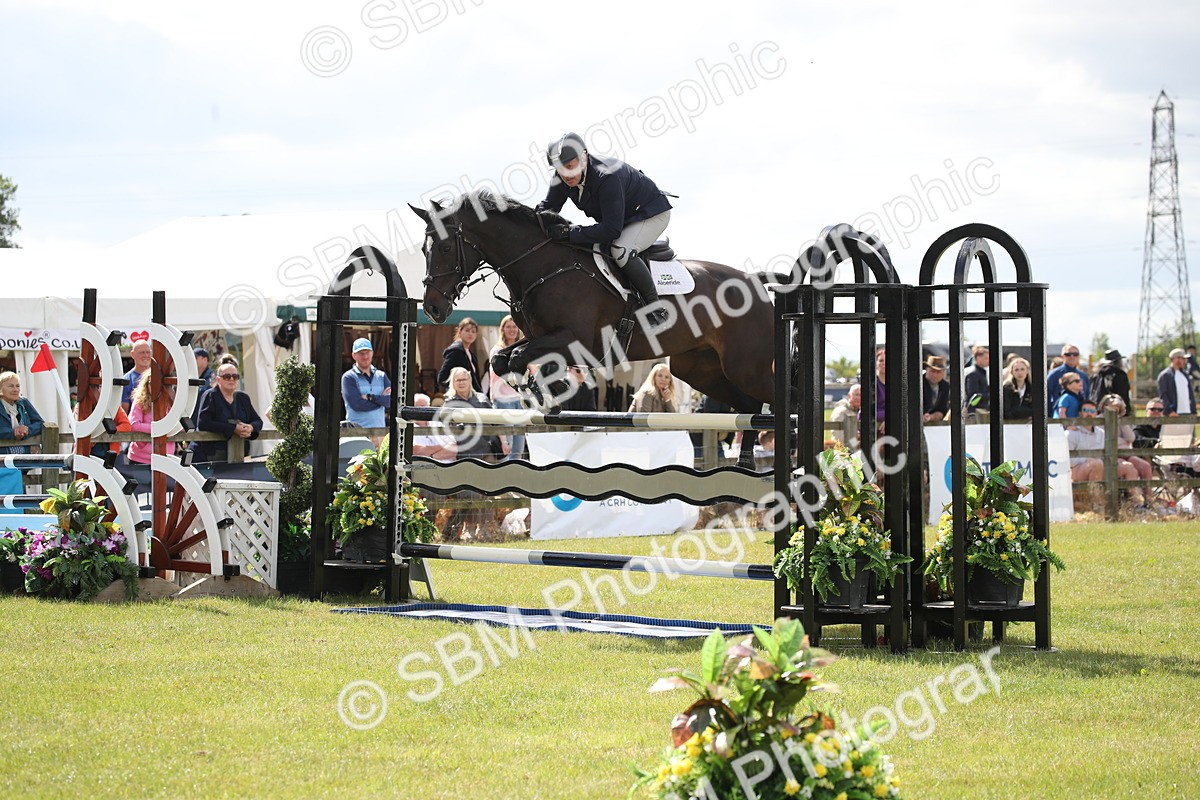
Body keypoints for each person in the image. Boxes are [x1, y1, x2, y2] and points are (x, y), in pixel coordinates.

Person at [535, 132, 673, 331]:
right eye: (559, 169)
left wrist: (569, 232)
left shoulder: (606, 177)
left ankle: (656, 311)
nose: (565, 174)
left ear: (583, 157)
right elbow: (548, 209)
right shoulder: (562, 178)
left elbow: (611, 230)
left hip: (650, 214)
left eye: (570, 166)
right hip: (623, 218)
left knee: (620, 250)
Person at [1066, 400, 1141, 503]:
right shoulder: (1071, 433)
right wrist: (1087, 459)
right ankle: (1098, 505)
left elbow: (1108, 454)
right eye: (1085, 410)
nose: (1089, 413)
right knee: (1096, 464)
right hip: (1076, 470)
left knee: (1128, 466)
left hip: (1099, 466)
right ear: (1080, 413)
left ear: (1096, 414)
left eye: (1092, 411)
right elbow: (1066, 459)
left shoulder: (1101, 433)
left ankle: (1137, 504)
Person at [192, 362, 263, 463]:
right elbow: (203, 423)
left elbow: (258, 421)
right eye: (227, 376)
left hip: (239, 454)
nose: (231, 379)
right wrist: (233, 428)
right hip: (211, 455)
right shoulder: (210, 396)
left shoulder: (243, 398)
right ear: (218, 379)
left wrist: (250, 427)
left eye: (235, 376)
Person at [441, 366, 503, 460]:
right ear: (453, 382)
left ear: (469, 380)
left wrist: (504, 442)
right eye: (458, 380)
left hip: (488, 451)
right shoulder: (449, 404)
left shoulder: (482, 399)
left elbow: (497, 423)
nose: (461, 383)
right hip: (465, 455)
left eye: (464, 379)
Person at [488, 315, 526, 460]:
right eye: (508, 326)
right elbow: (497, 378)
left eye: (514, 327)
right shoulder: (497, 350)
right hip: (503, 400)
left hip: (519, 399)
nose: (512, 330)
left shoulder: (522, 349)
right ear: (502, 329)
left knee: (518, 449)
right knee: (506, 447)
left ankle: (515, 480)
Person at [341, 337, 392, 446]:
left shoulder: (382, 376)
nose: (365, 356)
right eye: (361, 353)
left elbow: (390, 402)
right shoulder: (349, 377)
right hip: (356, 433)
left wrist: (370, 397)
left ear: (372, 353)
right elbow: (357, 404)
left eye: (367, 352)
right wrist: (380, 401)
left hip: (380, 433)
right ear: (354, 355)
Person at [0, 371, 44, 494]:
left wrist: (27, 430)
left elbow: (40, 423)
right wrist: (12, 432)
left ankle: (22, 511)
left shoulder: (23, 402)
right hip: (3, 458)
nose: (15, 389)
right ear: (1, 388)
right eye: (10, 386)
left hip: (22, 458)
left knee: (20, 489)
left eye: (17, 386)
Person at [1097, 394, 1153, 489]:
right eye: (1112, 407)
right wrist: (1122, 441)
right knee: (1130, 468)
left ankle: (1149, 499)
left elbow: (1131, 438)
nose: (1114, 410)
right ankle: (1136, 501)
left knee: (1146, 466)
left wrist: (1120, 422)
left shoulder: (1119, 420)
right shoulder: (1098, 421)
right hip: (1110, 456)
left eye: (1117, 408)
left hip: (1125, 453)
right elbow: (1105, 440)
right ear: (1104, 407)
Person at [128, 375, 175, 465]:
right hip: (140, 458)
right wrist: (160, 428)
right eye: (150, 383)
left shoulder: (171, 402)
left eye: (158, 383)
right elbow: (134, 425)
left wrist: (164, 428)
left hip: (166, 457)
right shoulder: (140, 401)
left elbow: (181, 426)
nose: (154, 386)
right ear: (146, 385)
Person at [436, 318, 483, 394]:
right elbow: (442, 378)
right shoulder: (455, 350)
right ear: (460, 331)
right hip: (459, 398)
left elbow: (476, 381)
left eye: (473, 331)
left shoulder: (471, 355)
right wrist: (459, 388)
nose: (470, 334)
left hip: (472, 397)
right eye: (467, 330)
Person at [411, 393, 456, 462]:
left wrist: (432, 457)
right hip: (423, 469)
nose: (420, 410)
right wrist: (445, 447)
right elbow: (417, 451)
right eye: (417, 407)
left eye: (423, 406)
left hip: (448, 468)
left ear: (429, 407)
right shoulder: (409, 428)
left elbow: (454, 447)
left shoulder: (439, 425)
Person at [1046, 344, 1088, 414]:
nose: (1072, 357)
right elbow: (1046, 396)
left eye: (1075, 354)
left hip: (1079, 417)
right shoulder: (1054, 374)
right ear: (1062, 356)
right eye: (1068, 354)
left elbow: (1087, 395)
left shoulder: (1083, 376)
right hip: (1059, 417)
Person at [1156, 347, 1195, 416]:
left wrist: (1193, 411)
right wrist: (1169, 411)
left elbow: (1190, 394)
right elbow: (1163, 395)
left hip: (1188, 413)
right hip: (1174, 414)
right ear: (1176, 359)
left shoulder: (1185, 375)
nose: (1185, 361)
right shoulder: (1165, 375)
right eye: (1183, 359)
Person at [120, 339, 153, 413]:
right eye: (141, 352)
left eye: (148, 352)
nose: (146, 355)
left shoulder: (157, 376)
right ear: (132, 354)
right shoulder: (126, 380)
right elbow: (124, 411)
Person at [1001, 356, 1035, 421]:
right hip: (1009, 424)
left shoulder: (1032, 389)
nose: (1020, 373)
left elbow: (1034, 410)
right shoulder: (1006, 388)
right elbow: (1006, 411)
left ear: (1027, 371)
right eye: (1016, 370)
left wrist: (1016, 410)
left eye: (1022, 369)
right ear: (1012, 372)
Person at [962, 345, 990, 418]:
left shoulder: (981, 372)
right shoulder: (974, 373)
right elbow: (973, 395)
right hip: (975, 412)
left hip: (980, 410)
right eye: (986, 358)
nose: (988, 360)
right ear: (978, 358)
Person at [921, 355, 950, 423]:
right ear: (926, 369)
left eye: (938, 372)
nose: (935, 375)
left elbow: (942, 410)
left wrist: (930, 417)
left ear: (943, 373)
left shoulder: (945, 386)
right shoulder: (918, 384)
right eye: (932, 371)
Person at [192, 347, 214, 424]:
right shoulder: (194, 378)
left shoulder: (213, 378)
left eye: (195, 357)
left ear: (205, 360)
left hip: (207, 424)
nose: (192, 360)